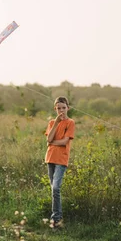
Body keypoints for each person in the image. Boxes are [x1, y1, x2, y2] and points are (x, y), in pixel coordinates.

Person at [45, 96, 76, 229]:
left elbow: (64, 142)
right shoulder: (52, 122)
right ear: (55, 109)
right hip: (50, 158)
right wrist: (56, 123)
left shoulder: (70, 123)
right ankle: (57, 219)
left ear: (68, 108)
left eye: (63, 108)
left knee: (56, 188)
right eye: (58, 108)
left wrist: (52, 142)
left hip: (61, 160)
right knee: (53, 190)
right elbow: (49, 139)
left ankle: (56, 219)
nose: (61, 111)